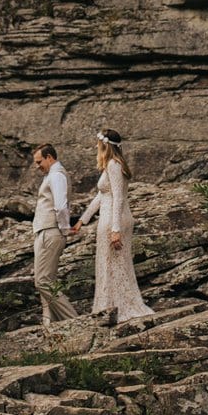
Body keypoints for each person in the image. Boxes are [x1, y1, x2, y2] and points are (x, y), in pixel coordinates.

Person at [71, 129, 153, 323]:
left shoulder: (114, 165)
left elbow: (119, 198)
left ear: (105, 145)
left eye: (98, 144)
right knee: (110, 264)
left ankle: (118, 307)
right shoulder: (111, 165)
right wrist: (83, 219)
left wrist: (115, 229)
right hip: (109, 218)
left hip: (113, 220)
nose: (95, 147)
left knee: (114, 264)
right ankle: (110, 305)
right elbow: (102, 196)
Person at [32, 143, 78, 326]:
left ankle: (74, 321)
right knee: (47, 280)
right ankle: (49, 325)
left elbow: (60, 205)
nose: (37, 167)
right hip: (45, 231)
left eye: (39, 162)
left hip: (50, 231)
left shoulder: (57, 175)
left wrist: (65, 228)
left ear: (49, 157)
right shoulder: (52, 175)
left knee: (42, 281)